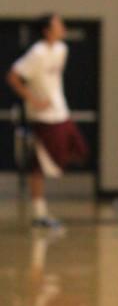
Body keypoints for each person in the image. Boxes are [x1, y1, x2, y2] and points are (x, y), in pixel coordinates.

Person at [6, 14, 88, 230]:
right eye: (58, 24)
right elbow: (13, 77)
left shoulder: (62, 49)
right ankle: (39, 214)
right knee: (39, 166)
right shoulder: (37, 53)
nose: (63, 27)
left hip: (61, 113)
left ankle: (41, 208)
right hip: (43, 117)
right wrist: (33, 100)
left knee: (79, 150)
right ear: (47, 30)